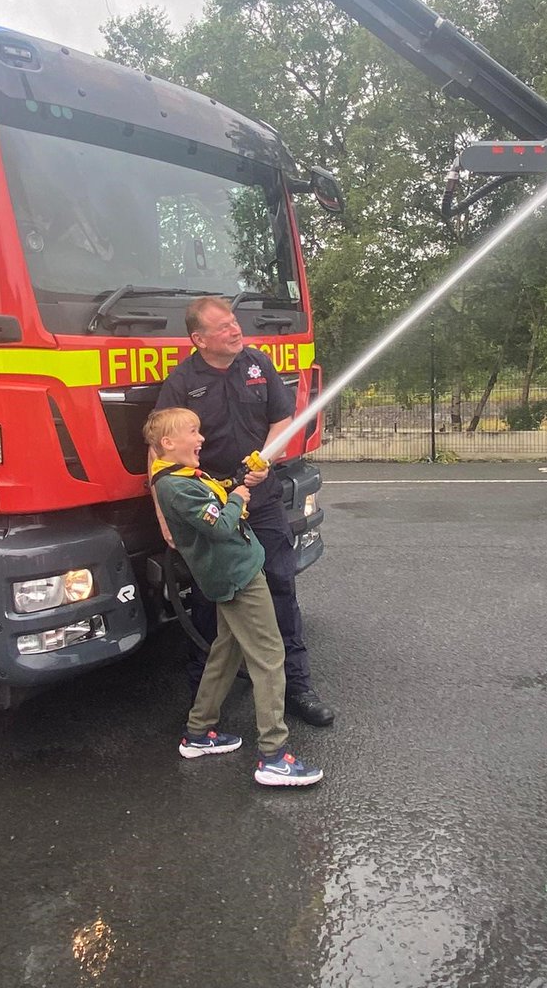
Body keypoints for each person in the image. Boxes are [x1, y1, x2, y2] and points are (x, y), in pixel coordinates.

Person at [153, 295, 334, 727]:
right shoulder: (181, 383)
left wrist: (265, 458)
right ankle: (204, 704)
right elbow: (160, 449)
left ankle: (297, 688)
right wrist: (163, 515)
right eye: (223, 327)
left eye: (234, 322)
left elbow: (281, 419)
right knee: (209, 601)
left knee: (280, 588)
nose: (236, 330)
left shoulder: (258, 364)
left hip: (262, 499)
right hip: (211, 507)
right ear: (199, 339)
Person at [144, 407, 323, 788]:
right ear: (168, 443)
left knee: (226, 651)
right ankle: (274, 755)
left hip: (235, 571)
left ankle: (198, 732)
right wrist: (239, 497)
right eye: (193, 432)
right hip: (238, 577)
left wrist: (239, 479)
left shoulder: (182, 476)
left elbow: (214, 496)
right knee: (269, 656)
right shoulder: (175, 487)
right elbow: (221, 525)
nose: (201, 439)